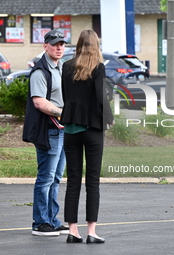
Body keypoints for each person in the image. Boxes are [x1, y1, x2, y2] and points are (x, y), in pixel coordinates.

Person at [60, 30, 114, 244]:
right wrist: (109, 118)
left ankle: (73, 231)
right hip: (92, 129)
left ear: (78, 45)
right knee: (93, 181)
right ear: (96, 46)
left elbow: (66, 96)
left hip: (71, 129)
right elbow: (101, 97)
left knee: (73, 180)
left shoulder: (66, 67)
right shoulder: (99, 68)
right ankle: (91, 232)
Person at [22, 29, 69, 236]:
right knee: (46, 178)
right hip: (49, 130)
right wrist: (64, 114)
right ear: (45, 46)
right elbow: (39, 102)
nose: (59, 47)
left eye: (62, 44)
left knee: (56, 177)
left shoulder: (60, 69)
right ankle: (40, 222)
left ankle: (52, 219)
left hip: (62, 130)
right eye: (55, 44)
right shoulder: (41, 71)